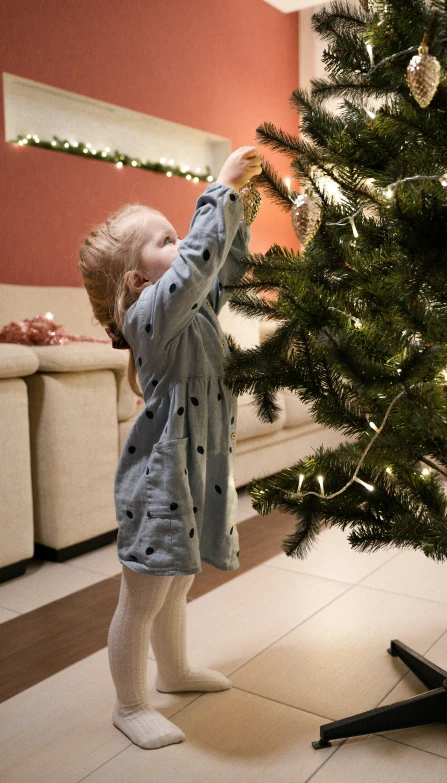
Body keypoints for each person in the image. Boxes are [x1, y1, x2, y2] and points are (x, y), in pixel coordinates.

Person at [78, 146, 262, 749]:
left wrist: (239, 210)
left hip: (197, 464)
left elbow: (219, 270)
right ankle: (129, 704)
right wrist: (219, 189)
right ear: (137, 279)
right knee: (146, 592)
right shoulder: (150, 313)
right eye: (165, 240)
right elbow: (194, 267)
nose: (180, 244)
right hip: (159, 480)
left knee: (177, 580)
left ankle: (175, 671)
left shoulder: (187, 300)